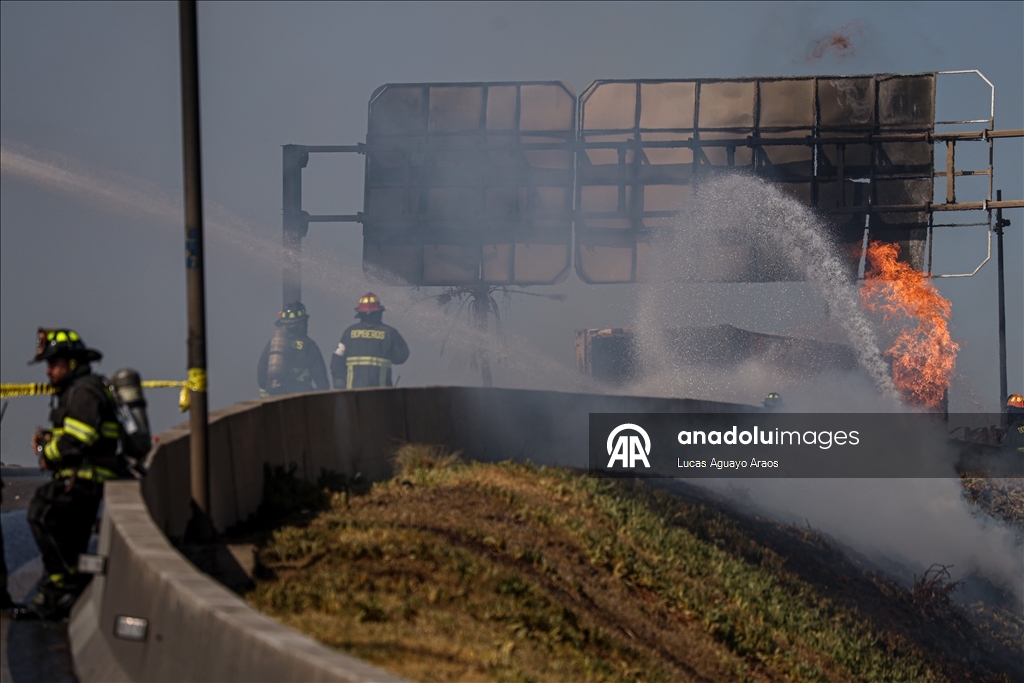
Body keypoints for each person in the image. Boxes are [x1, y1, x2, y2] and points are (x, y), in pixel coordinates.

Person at [19, 329, 122, 620]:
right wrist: (51, 440)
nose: (49, 371)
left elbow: (81, 437)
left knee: (42, 513)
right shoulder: (79, 391)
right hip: (81, 477)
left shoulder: (84, 391)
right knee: (67, 533)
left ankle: (64, 586)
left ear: (73, 363)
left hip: (88, 479)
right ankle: (60, 594)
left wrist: (48, 455)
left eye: (54, 363)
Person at [332, 293, 409, 389]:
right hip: (381, 394)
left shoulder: (349, 333)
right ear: (379, 313)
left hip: (353, 394)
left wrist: (340, 388)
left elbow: (336, 362)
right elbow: (401, 357)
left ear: (360, 314)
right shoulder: (389, 333)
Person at [257, 302, 329, 397]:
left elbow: (261, 369)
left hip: (276, 397)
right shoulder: (309, 345)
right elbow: (320, 377)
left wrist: (265, 396)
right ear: (301, 323)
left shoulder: (273, 343)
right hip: (300, 397)